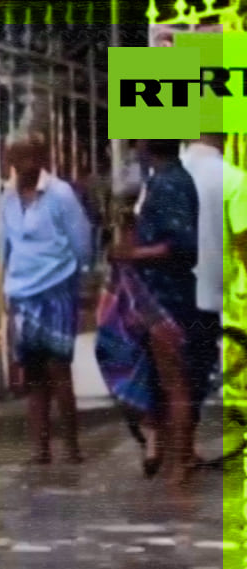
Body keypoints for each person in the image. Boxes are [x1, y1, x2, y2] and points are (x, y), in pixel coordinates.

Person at [95, 139, 203, 484]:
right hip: (158, 296)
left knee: (175, 384)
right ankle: (176, 460)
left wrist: (131, 255)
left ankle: (181, 465)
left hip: (167, 299)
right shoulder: (160, 180)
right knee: (165, 382)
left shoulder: (170, 182)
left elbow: (184, 245)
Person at [0, 136, 94, 465]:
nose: (24, 164)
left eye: (30, 156)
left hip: (56, 289)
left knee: (59, 371)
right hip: (23, 294)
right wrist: (7, 298)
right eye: (17, 157)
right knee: (33, 375)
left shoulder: (60, 195)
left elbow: (82, 243)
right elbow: (7, 248)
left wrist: (80, 285)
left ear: (41, 157)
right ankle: (40, 449)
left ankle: (72, 446)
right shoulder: (7, 199)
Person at [181, 133, 226, 444]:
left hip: (174, 294)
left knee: (177, 376)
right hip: (216, 295)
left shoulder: (168, 173)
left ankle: (179, 450)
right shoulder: (232, 177)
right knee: (199, 367)